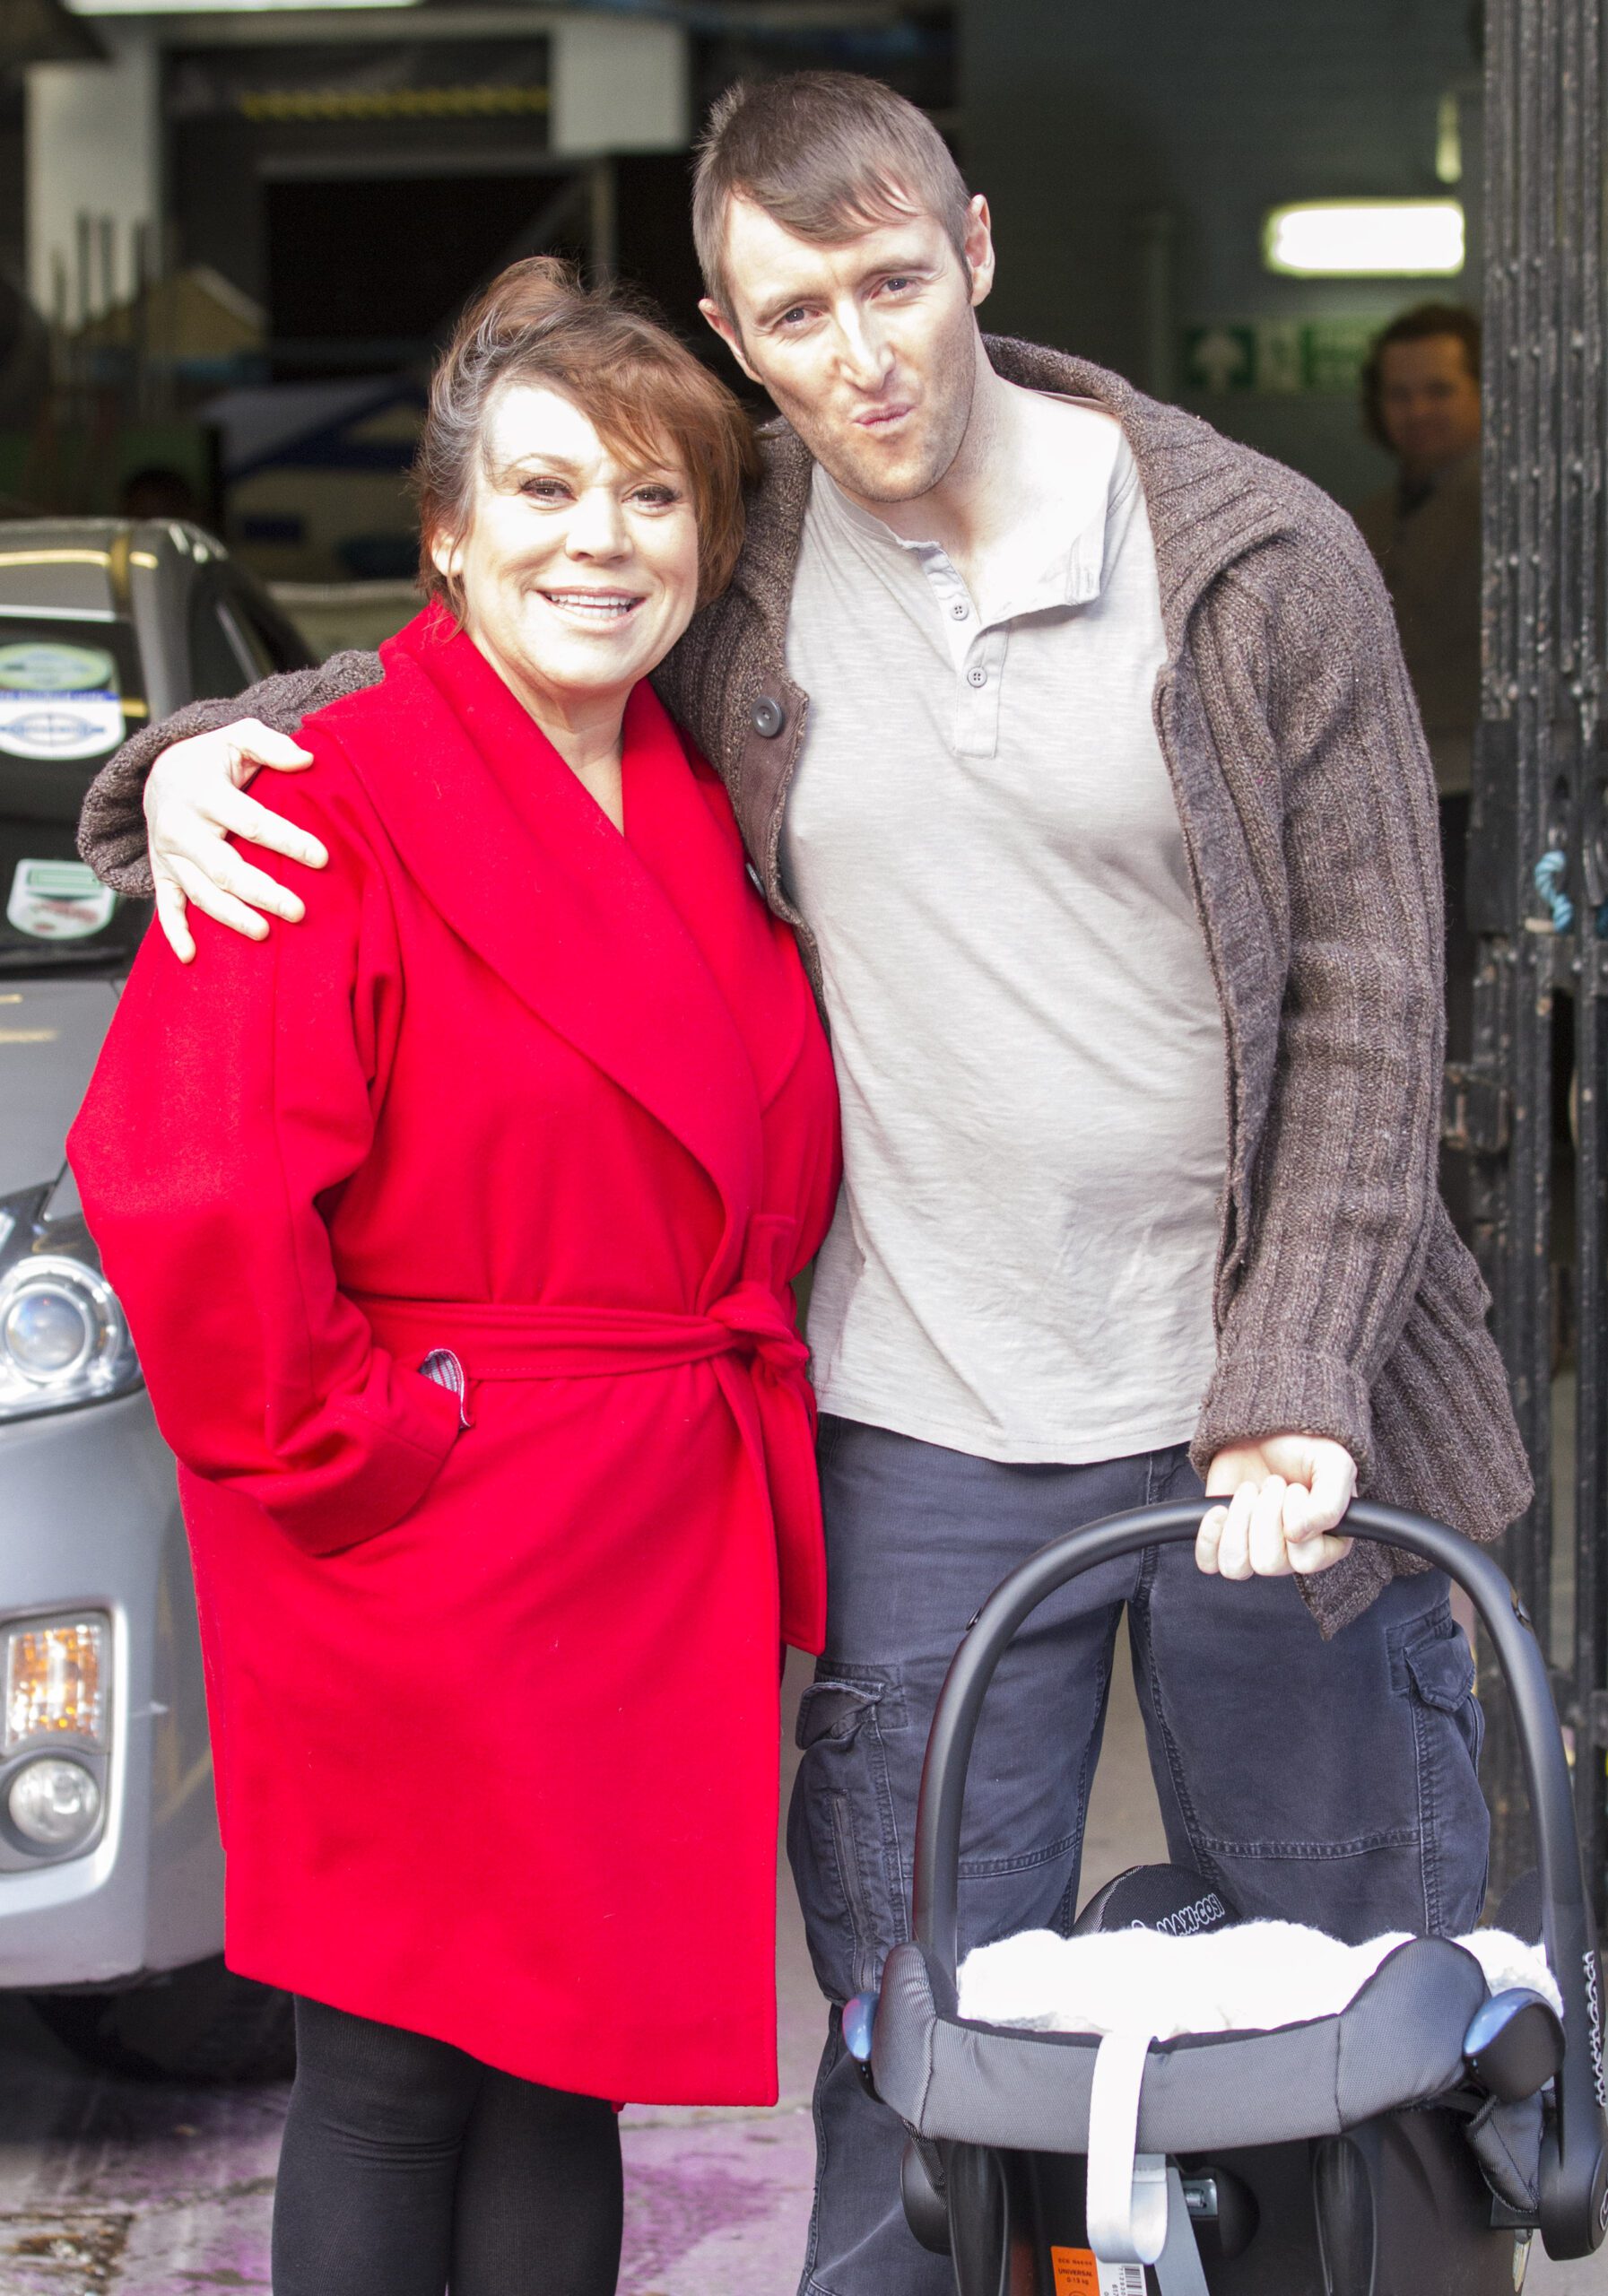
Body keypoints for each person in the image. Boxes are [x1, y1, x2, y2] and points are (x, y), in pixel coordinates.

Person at [77, 75, 1531, 2296]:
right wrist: (179, 762)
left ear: (972, 250)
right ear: (744, 345)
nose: (859, 351)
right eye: (791, 312)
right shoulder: (755, 556)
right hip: (911, 1404)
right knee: (916, 2027)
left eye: (888, 281)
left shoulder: (1248, 556)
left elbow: (1369, 999)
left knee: (1343, 1998)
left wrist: (1298, 1372)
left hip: (1265, 1409)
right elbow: (463, 659)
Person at [68, 260, 840, 2296]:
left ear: (715, 546)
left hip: (645, 1527)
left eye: (656, 496)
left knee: (564, 2075)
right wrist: (371, 1453)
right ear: (446, 532)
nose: (601, 539)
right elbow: (187, 1185)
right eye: (544, 489)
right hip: (406, 1531)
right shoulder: (319, 799)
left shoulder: (713, 804)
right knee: (400, 2073)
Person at [1355, 304, 1483, 1101]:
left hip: (1480, 788)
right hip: (1400, 789)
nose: (1417, 411)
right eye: (1399, 395)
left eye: (1438, 389)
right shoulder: (1371, 515)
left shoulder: (1515, 512)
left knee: (1467, 997)